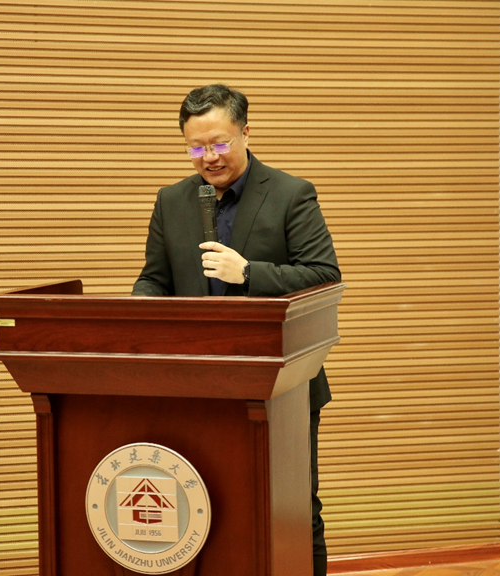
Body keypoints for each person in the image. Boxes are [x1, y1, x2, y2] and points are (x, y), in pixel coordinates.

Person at [132, 84, 340, 576]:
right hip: (195, 386)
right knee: (207, 509)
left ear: (247, 132)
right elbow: (154, 279)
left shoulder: (290, 194)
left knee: (294, 508)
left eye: (220, 143)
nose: (209, 157)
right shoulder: (171, 200)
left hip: (281, 384)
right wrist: (141, 309)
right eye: (196, 147)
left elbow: (324, 275)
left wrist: (248, 273)